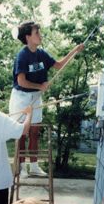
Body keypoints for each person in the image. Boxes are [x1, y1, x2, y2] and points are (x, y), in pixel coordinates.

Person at [9, 21, 84, 179]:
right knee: (22, 132)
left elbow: (58, 65)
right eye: (37, 33)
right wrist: (40, 85)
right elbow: (21, 81)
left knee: (35, 132)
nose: (40, 35)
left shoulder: (41, 54)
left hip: (36, 96)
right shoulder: (22, 56)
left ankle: (34, 166)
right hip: (21, 97)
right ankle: (22, 167)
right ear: (28, 37)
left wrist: (74, 51)